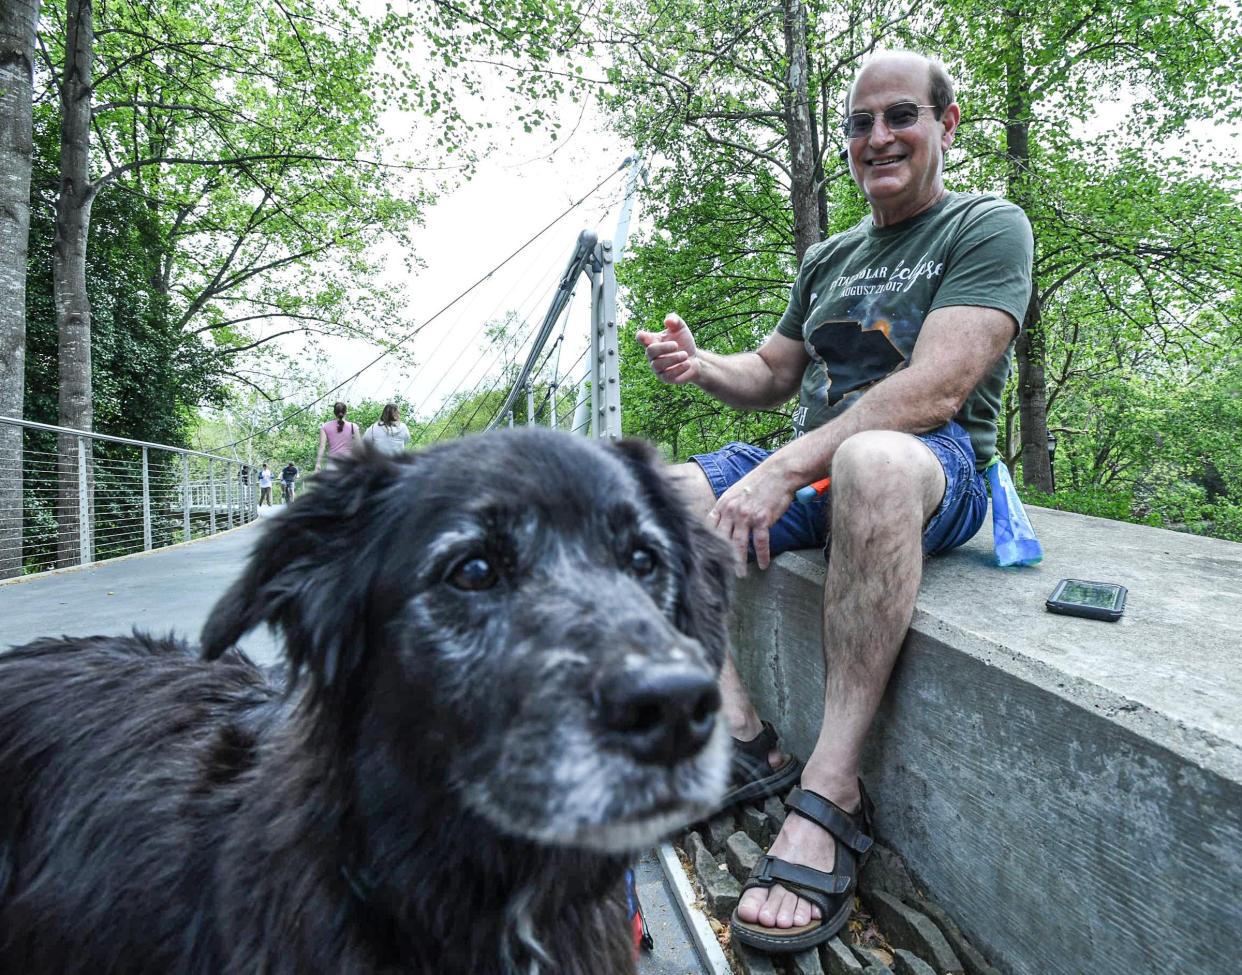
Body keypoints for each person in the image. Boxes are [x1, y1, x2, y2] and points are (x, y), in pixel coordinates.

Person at [636, 50, 1033, 955]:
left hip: (930, 467)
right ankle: (740, 736)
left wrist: (784, 471)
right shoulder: (831, 255)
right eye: (859, 124)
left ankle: (831, 788)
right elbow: (775, 375)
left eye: (900, 116)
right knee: (645, 494)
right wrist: (703, 367)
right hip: (814, 458)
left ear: (947, 124)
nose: (876, 137)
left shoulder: (985, 225)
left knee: (874, 461)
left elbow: (936, 387)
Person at [315, 402, 360, 472]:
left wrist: (318, 463)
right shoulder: (353, 426)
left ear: (334, 412)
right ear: (346, 412)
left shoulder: (325, 426)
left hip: (332, 465)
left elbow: (322, 446)